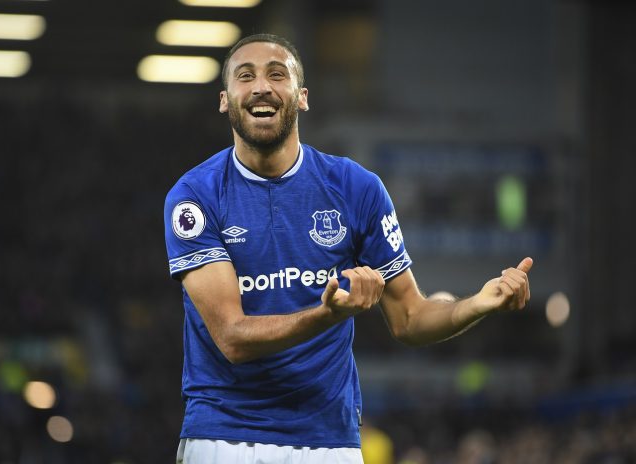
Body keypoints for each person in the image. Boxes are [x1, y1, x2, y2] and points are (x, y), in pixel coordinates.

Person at [163, 33, 533, 464]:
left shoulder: (356, 188)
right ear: (225, 99)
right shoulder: (195, 196)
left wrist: (477, 304)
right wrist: (329, 314)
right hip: (224, 436)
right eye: (246, 76)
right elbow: (232, 337)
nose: (262, 86)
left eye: (277, 74)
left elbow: (410, 317)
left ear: (301, 97)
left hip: (329, 442)